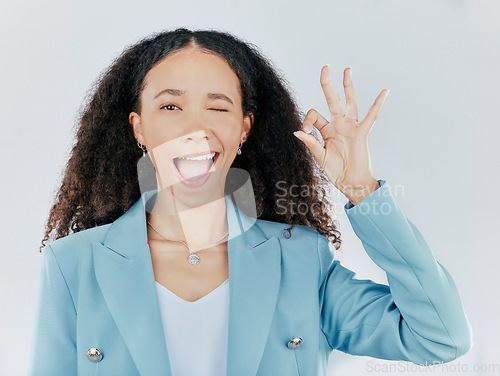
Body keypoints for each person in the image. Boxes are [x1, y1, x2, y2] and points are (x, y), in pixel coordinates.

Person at [28, 28, 472, 376]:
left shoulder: (300, 259)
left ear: (244, 128)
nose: (195, 128)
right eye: (170, 107)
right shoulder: (72, 265)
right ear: (138, 127)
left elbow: (439, 338)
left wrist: (362, 190)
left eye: (218, 108)